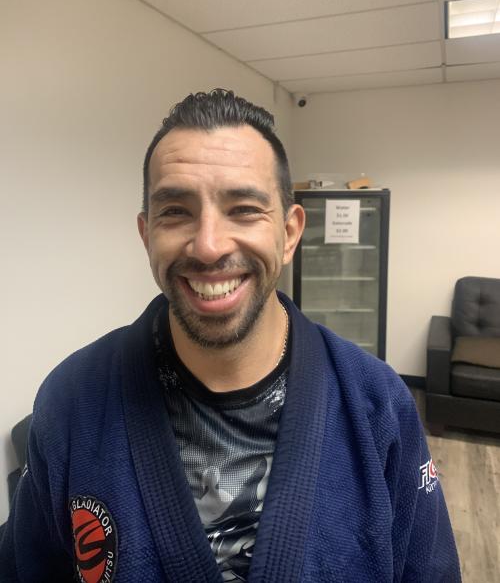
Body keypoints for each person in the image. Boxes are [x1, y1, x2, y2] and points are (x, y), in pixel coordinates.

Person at [0, 89, 460, 582]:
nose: (208, 246)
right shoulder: (72, 400)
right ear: (146, 234)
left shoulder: (376, 404)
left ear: (289, 233)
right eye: (175, 211)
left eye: (243, 208)